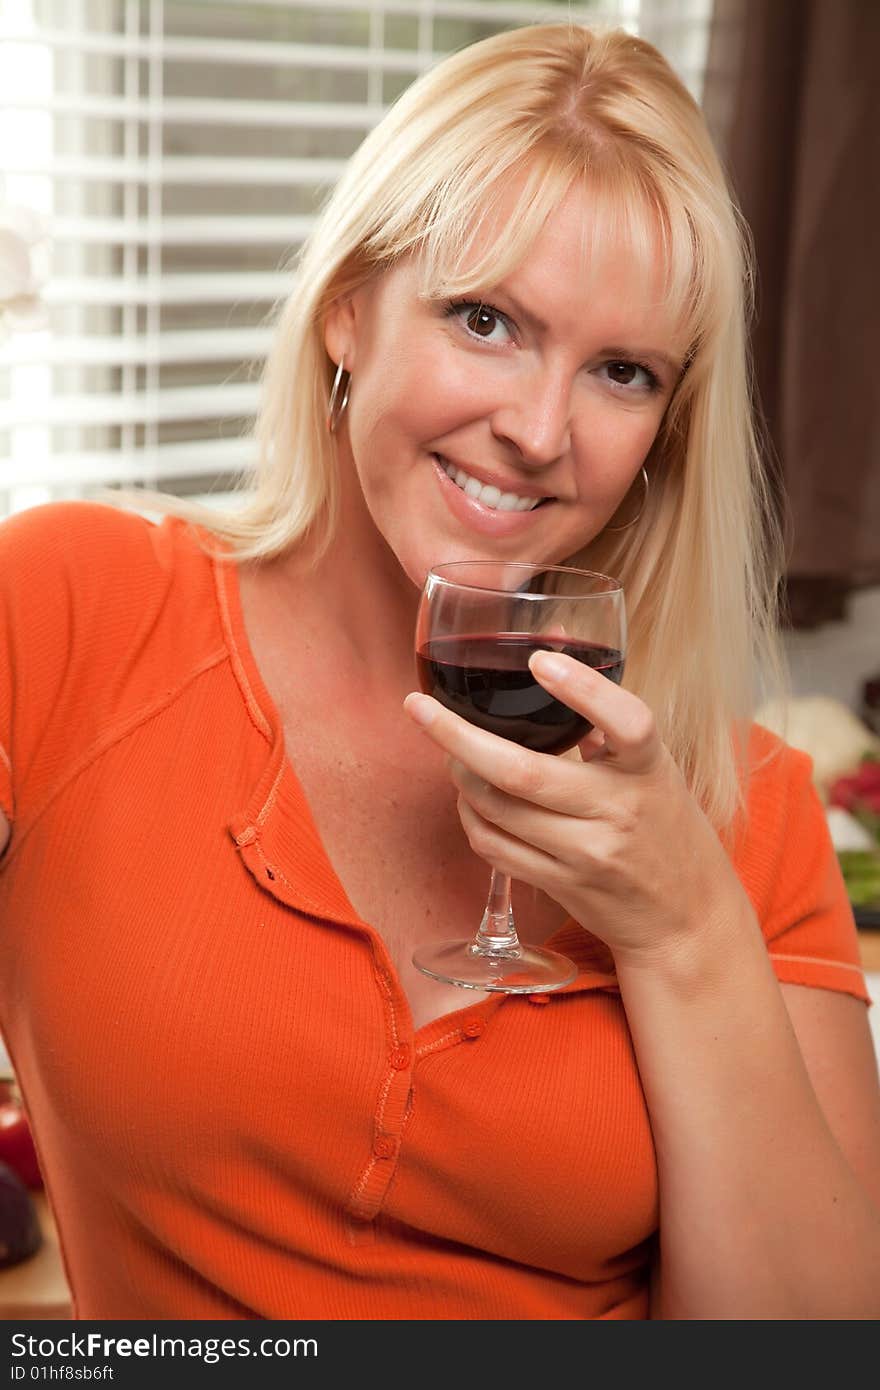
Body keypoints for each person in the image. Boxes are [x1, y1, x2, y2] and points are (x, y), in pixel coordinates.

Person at [1, 22, 879, 1322]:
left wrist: (685, 928)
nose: (537, 431)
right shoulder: (77, 610)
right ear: (348, 308)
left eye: (621, 372)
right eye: (487, 319)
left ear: (666, 431)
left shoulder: (745, 807)